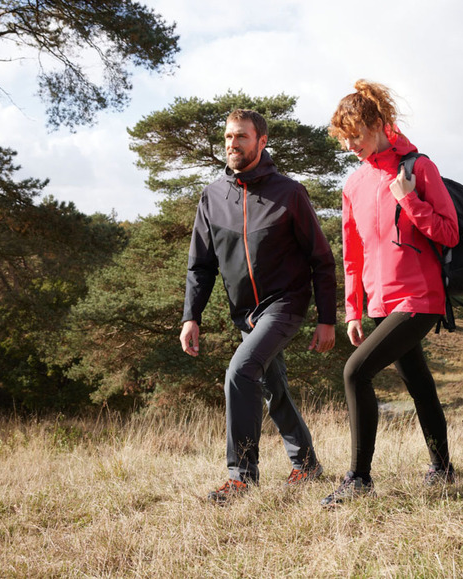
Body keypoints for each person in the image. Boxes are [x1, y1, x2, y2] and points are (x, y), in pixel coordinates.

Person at [180, 109, 337, 504]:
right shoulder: (213, 196)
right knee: (271, 384)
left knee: (241, 370)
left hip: (285, 303)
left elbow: (322, 259)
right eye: (229, 138)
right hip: (244, 312)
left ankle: (241, 477)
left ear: (261, 141)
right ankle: (307, 465)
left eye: (241, 138)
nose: (232, 145)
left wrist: (327, 319)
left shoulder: (289, 192)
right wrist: (190, 316)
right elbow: (200, 265)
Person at [321, 81, 459, 507]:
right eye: (344, 139)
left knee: (354, 373)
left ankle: (359, 478)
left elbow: (449, 233)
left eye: (356, 135)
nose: (351, 146)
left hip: (419, 299)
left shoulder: (418, 168)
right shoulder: (354, 184)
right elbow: (352, 255)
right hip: (381, 303)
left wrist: (411, 200)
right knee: (418, 383)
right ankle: (443, 469)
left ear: (378, 123)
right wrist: (354, 310)